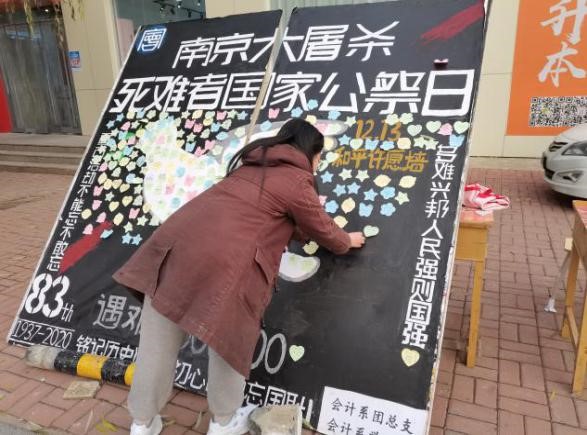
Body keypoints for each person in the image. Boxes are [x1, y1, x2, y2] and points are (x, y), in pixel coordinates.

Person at [113, 118, 366, 435]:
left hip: (174, 249)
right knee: (229, 339)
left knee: (157, 343)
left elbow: (269, 214)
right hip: (226, 264)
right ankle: (224, 421)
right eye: (320, 156)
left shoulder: (248, 165)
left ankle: (142, 422)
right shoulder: (297, 180)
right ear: (311, 153)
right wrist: (347, 240)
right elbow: (323, 229)